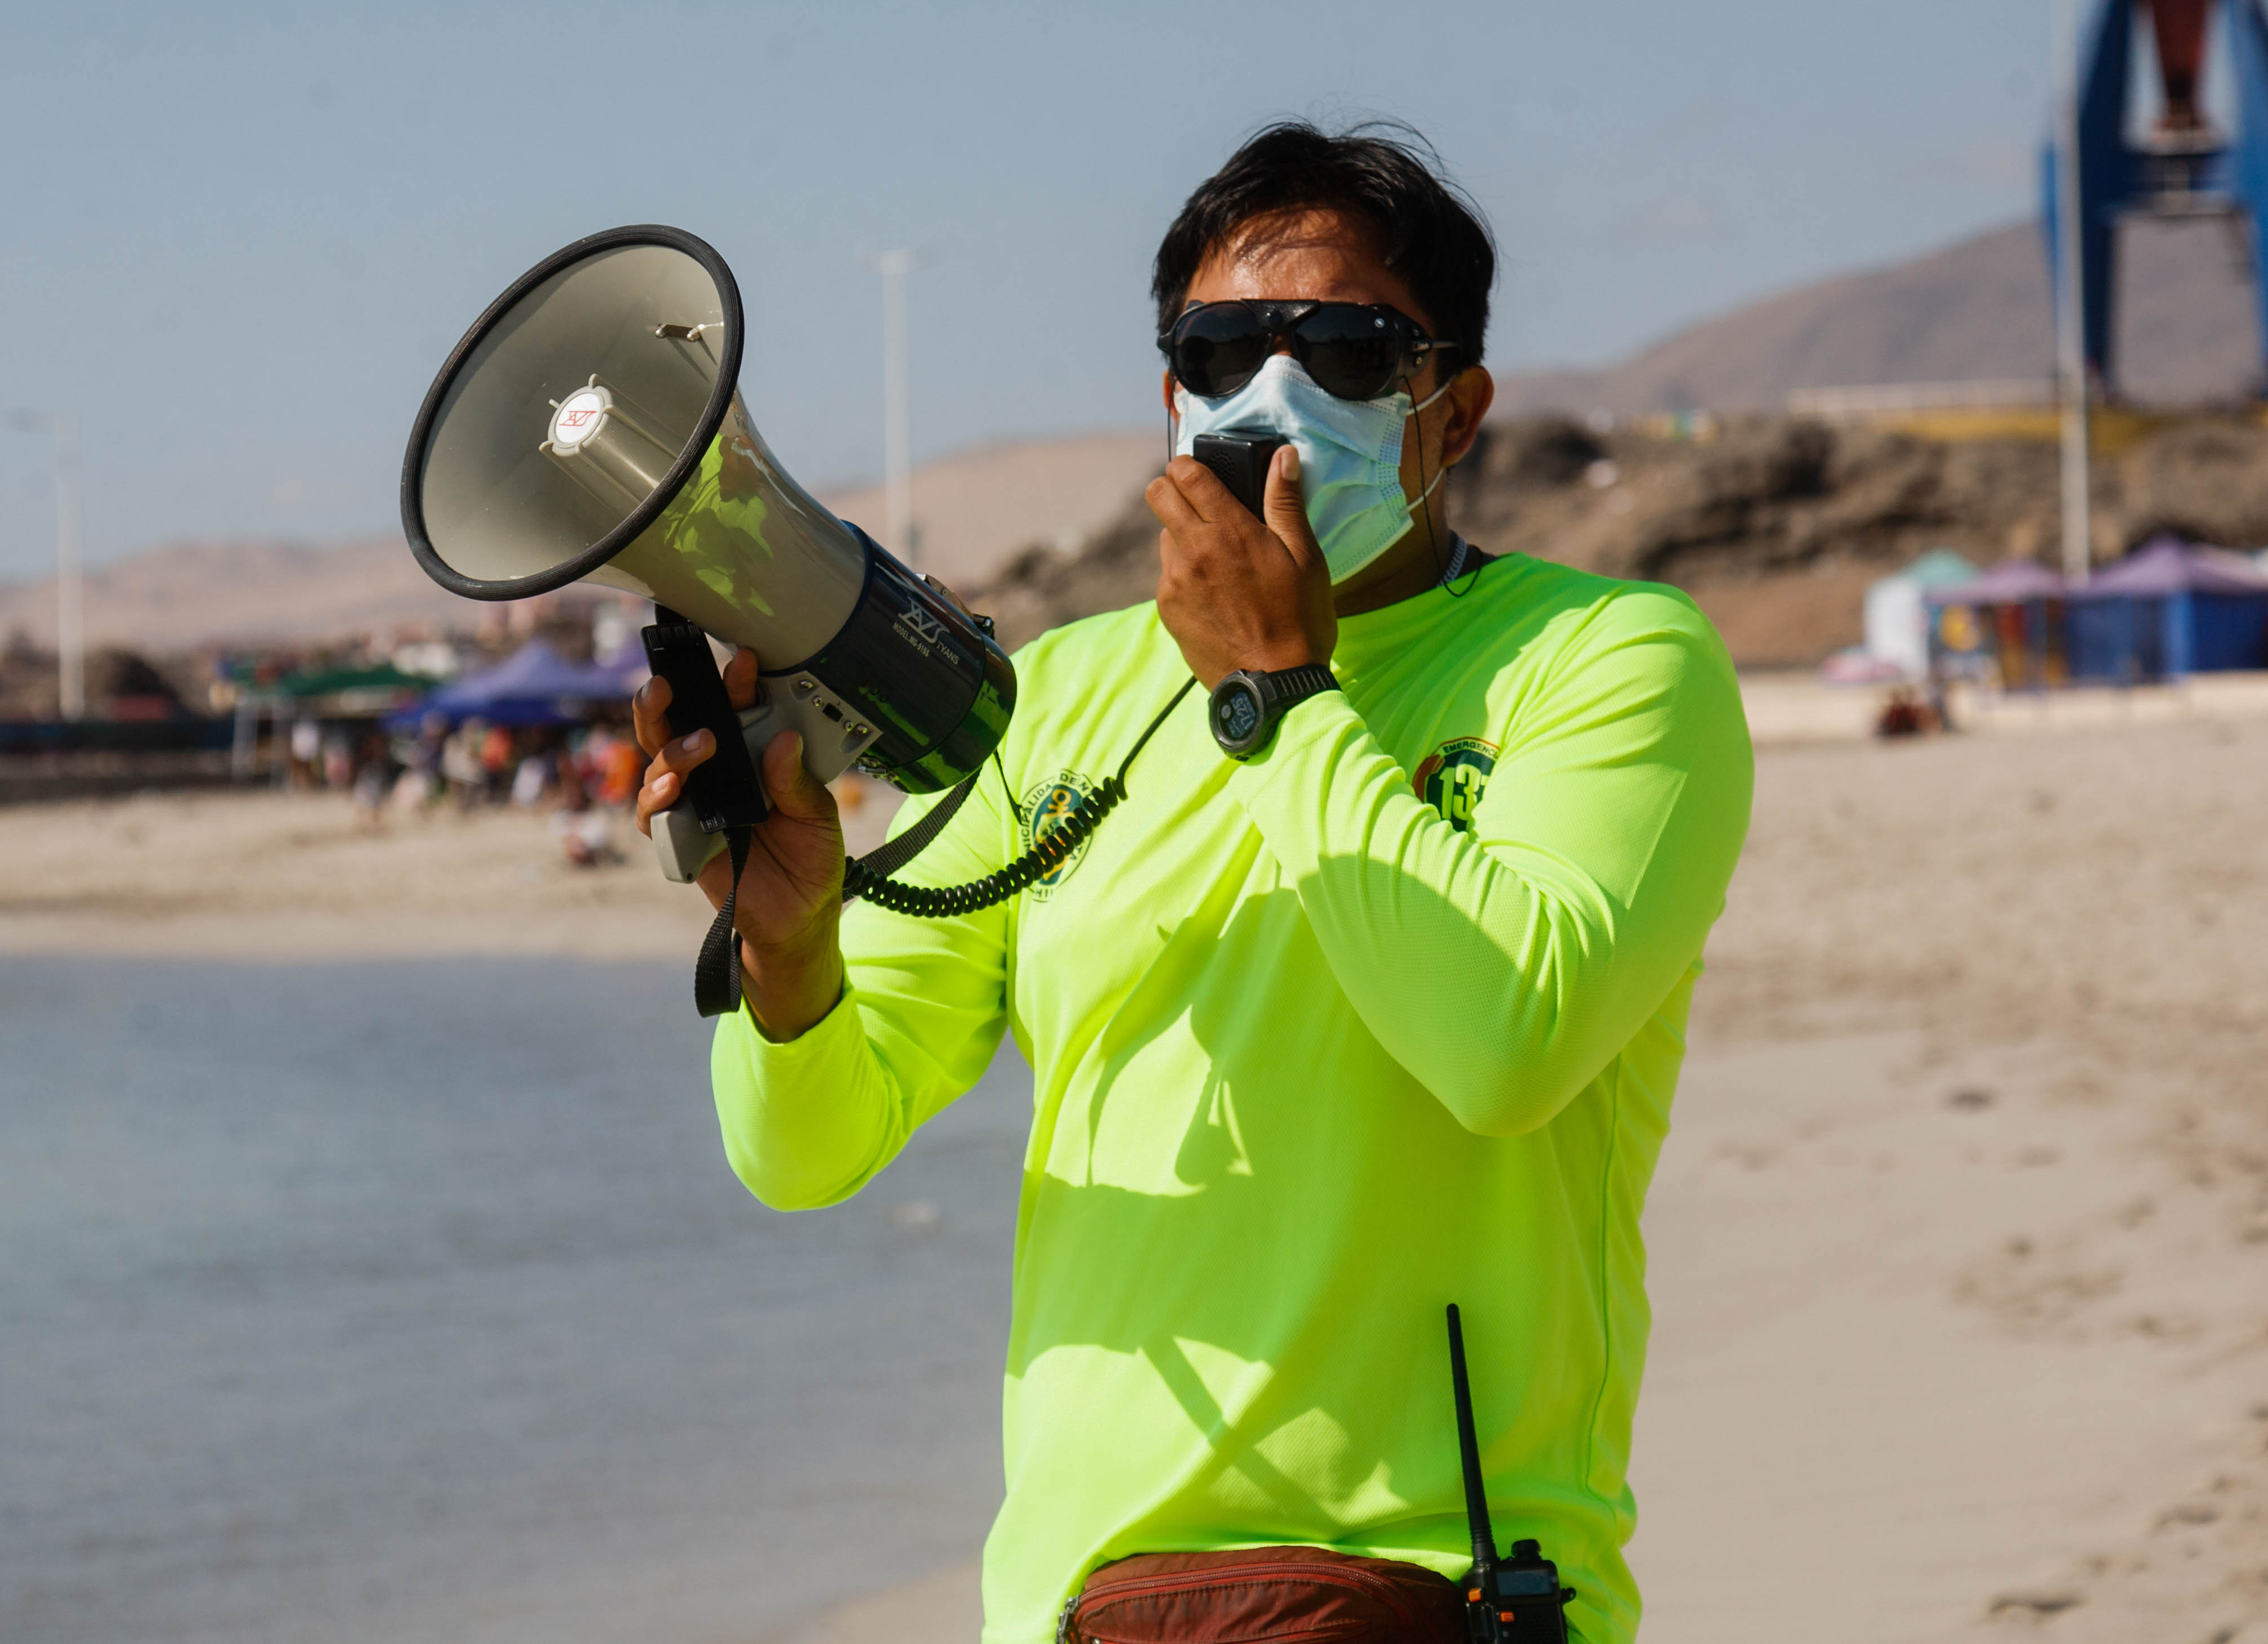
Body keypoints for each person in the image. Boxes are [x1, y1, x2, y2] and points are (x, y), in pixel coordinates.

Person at [634, 121, 1754, 1644]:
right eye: (1221, 346)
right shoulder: (1060, 697)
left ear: (1459, 408)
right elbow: (807, 1150)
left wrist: (1282, 695)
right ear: (1172, 392)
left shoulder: (1609, 661)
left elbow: (1510, 1044)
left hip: (1441, 1587)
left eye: (1348, 348)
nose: (1271, 394)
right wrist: (785, 959)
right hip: (1081, 1606)